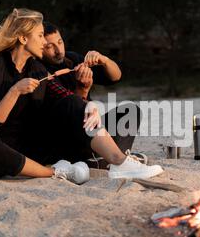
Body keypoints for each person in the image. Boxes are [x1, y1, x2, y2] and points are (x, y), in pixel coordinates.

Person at [0, 8, 163, 184]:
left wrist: (89, 107)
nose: (44, 43)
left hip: (32, 148)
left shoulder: (37, 68)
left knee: (74, 102)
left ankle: (119, 162)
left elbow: (65, 98)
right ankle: (55, 172)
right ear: (23, 38)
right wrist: (14, 91)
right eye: (39, 36)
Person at [41, 22, 143, 168]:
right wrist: (83, 89)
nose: (58, 50)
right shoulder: (40, 71)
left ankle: (114, 158)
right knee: (79, 110)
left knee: (131, 111)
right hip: (66, 136)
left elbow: (116, 76)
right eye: (50, 46)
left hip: (91, 126)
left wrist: (104, 60)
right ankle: (108, 160)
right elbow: (72, 109)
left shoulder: (72, 59)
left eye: (60, 42)